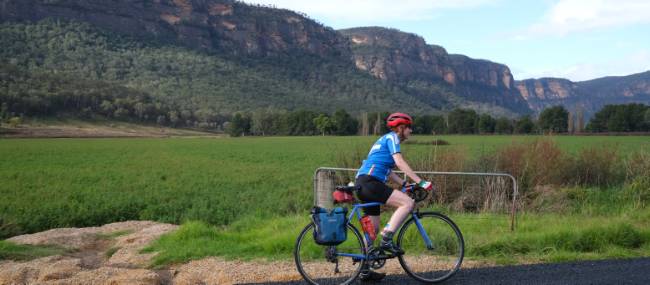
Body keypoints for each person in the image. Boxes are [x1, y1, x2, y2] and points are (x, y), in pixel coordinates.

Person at [355, 112, 433, 281]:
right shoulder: (392, 138)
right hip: (371, 182)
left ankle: (365, 270)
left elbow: (388, 170)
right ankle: (387, 237)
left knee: (372, 230)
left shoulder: (382, 141)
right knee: (407, 203)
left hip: (363, 184)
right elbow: (399, 162)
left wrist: (404, 184)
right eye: (409, 128)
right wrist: (420, 182)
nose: (411, 131)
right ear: (401, 128)